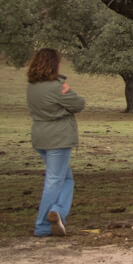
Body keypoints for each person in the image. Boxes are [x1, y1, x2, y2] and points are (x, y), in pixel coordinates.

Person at [27, 48, 86, 237]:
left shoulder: (32, 87)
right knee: (54, 181)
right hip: (58, 139)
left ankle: (57, 212)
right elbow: (78, 104)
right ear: (54, 64)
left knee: (65, 178)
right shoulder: (57, 87)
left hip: (40, 137)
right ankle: (44, 223)